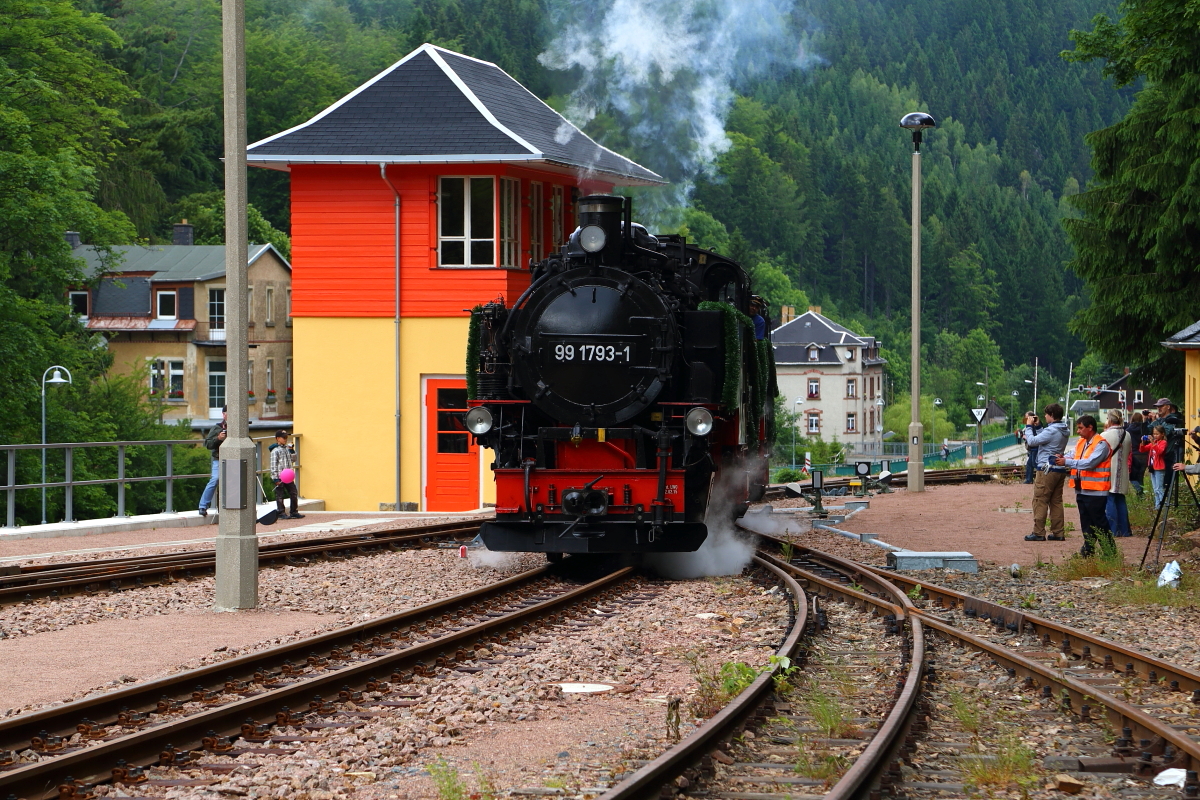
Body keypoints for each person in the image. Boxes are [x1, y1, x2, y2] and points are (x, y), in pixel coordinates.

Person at [1055, 414, 1115, 557]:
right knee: (1086, 523)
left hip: (1096, 491)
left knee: (1099, 523)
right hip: (1082, 488)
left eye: (1081, 428)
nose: (1078, 431)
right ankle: (1088, 550)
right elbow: (1074, 455)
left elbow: (1090, 463)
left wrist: (1066, 462)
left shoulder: (1101, 444)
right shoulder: (1082, 442)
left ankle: (1110, 552)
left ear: (1090, 428)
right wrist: (1062, 457)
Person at [1023, 403, 1070, 542]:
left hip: (1046, 469)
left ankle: (1038, 532)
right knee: (1056, 501)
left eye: (1046, 414)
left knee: (1040, 500)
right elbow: (1046, 437)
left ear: (1051, 415)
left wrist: (1029, 426)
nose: (1044, 416)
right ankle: (1058, 532)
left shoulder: (1052, 431)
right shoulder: (1062, 429)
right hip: (1059, 469)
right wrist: (1038, 427)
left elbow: (1032, 441)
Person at [1101, 409, 1132, 537]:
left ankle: (1112, 530)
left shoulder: (1105, 435)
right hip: (1123, 471)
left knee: (1110, 499)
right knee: (1120, 499)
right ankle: (1125, 530)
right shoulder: (1127, 434)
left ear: (1109, 419)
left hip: (1109, 470)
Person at [198, 405, 227, 517]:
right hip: (219, 459)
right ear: (223, 414)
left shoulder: (239, 427)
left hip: (234, 461)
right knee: (215, 479)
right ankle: (203, 505)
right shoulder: (217, 428)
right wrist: (218, 438)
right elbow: (208, 444)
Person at [269, 429, 303, 520]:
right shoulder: (275, 451)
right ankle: (281, 512)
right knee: (280, 495)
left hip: (288, 476)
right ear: (277, 438)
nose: (285, 439)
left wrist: (292, 451)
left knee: (293, 492)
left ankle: (294, 511)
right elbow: (273, 465)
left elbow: (293, 460)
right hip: (280, 476)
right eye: (283, 438)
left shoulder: (287, 449)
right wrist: (275, 478)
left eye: (286, 437)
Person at [1140, 426, 1168, 508]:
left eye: (1157, 434)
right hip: (1152, 468)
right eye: (1154, 434)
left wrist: (1153, 442)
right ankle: (1157, 505)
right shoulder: (1154, 442)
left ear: (1162, 434)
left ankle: (1163, 505)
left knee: (1159, 488)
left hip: (1159, 467)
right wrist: (1142, 442)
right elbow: (1142, 449)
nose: (1155, 436)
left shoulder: (1163, 442)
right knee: (1155, 488)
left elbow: (1159, 452)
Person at [1127, 411, 1147, 497]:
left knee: (1132, 476)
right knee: (1140, 476)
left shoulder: (1128, 430)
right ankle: (1141, 493)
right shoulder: (1144, 429)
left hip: (1134, 454)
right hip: (1144, 453)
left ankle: (1139, 491)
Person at [1023, 411, 1042, 484]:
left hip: (1035, 447)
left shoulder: (1034, 426)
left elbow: (1034, 437)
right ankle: (1029, 479)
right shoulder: (1035, 425)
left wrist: (1027, 437)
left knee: (1034, 463)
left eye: (1026, 417)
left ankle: (1041, 477)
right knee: (1030, 464)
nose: (1025, 419)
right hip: (1033, 448)